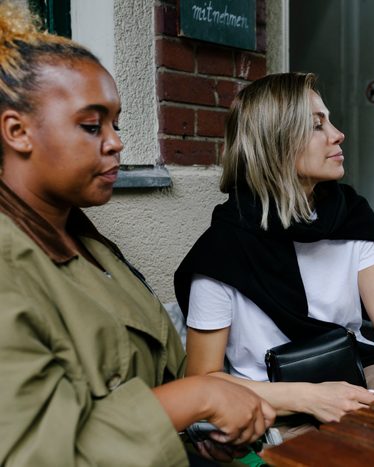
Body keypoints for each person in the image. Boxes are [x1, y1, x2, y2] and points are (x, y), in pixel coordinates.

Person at [0, 2, 275, 465]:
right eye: (91, 125)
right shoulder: (10, 264)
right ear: (16, 130)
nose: (116, 142)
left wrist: (195, 431)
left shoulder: (85, 239)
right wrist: (196, 399)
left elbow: (141, 385)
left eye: (116, 122)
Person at [174, 72, 374, 434]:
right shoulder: (222, 249)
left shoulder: (349, 216)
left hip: (354, 372)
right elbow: (203, 381)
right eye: (317, 125)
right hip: (269, 400)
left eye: (329, 120)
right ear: (275, 144)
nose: (338, 133)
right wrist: (309, 397)